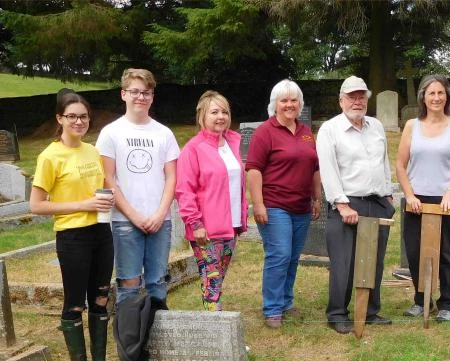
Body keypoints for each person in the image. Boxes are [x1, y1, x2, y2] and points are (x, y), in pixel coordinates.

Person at [30, 90, 116, 361]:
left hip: (101, 232)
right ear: (60, 119)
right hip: (72, 236)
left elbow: (103, 188)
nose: (78, 121)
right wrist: (83, 205)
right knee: (76, 301)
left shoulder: (91, 151)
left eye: (83, 116)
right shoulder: (50, 156)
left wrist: (107, 199)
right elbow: (37, 205)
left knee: (101, 298)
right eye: (72, 116)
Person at [96, 68, 180, 309]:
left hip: (159, 220)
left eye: (146, 93)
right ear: (123, 94)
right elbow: (108, 178)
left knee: (157, 281)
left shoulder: (164, 133)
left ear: (152, 97)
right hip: (125, 221)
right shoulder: (110, 133)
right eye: (135, 92)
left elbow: (171, 178)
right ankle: (131, 343)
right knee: (128, 284)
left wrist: (160, 214)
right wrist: (133, 215)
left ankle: (157, 336)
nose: (140, 97)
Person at [316, 75, 395, 334]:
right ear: (341, 100)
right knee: (345, 262)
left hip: (377, 202)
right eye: (352, 96)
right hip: (347, 204)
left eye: (362, 96)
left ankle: (370, 311)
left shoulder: (376, 126)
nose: (358, 101)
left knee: (374, 260)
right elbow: (328, 170)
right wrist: (341, 204)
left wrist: (388, 193)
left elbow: (383, 162)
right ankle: (337, 313)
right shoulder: (330, 129)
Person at [396, 74, 450, 322]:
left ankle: (447, 304)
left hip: (444, 199)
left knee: (445, 252)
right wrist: (409, 195)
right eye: (431, 93)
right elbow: (399, 164)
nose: (436, 98)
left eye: (440, 93)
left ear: (446, 96)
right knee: (415, 252)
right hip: (416, 199)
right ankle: (421, 300)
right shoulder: (411, 126)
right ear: (423, 97)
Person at [246, 80, 321, 328]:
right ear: (274, 104)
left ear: (300, 104)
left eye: (293, 100)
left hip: (301, 206)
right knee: (279, 255)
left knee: (292, 257)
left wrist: (316, 197)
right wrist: (258, 205)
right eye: (284, 100)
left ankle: (286, 302)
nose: (289, 105)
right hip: (275, 205)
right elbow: (254, 170)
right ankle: (272, 309)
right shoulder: (264, 132)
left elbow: (314, 167)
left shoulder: (306, 131)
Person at [176, 91, 247, 311]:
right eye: (214, 112)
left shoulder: (234, 142)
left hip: (231, 225)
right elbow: (184, 190)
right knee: (212, 282)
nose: (221, 117)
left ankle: (215, 330)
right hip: (206, 230)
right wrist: (195, 224)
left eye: (224, 111)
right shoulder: (193, 149)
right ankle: (217, 336)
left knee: (217, 279)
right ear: (202, 116)